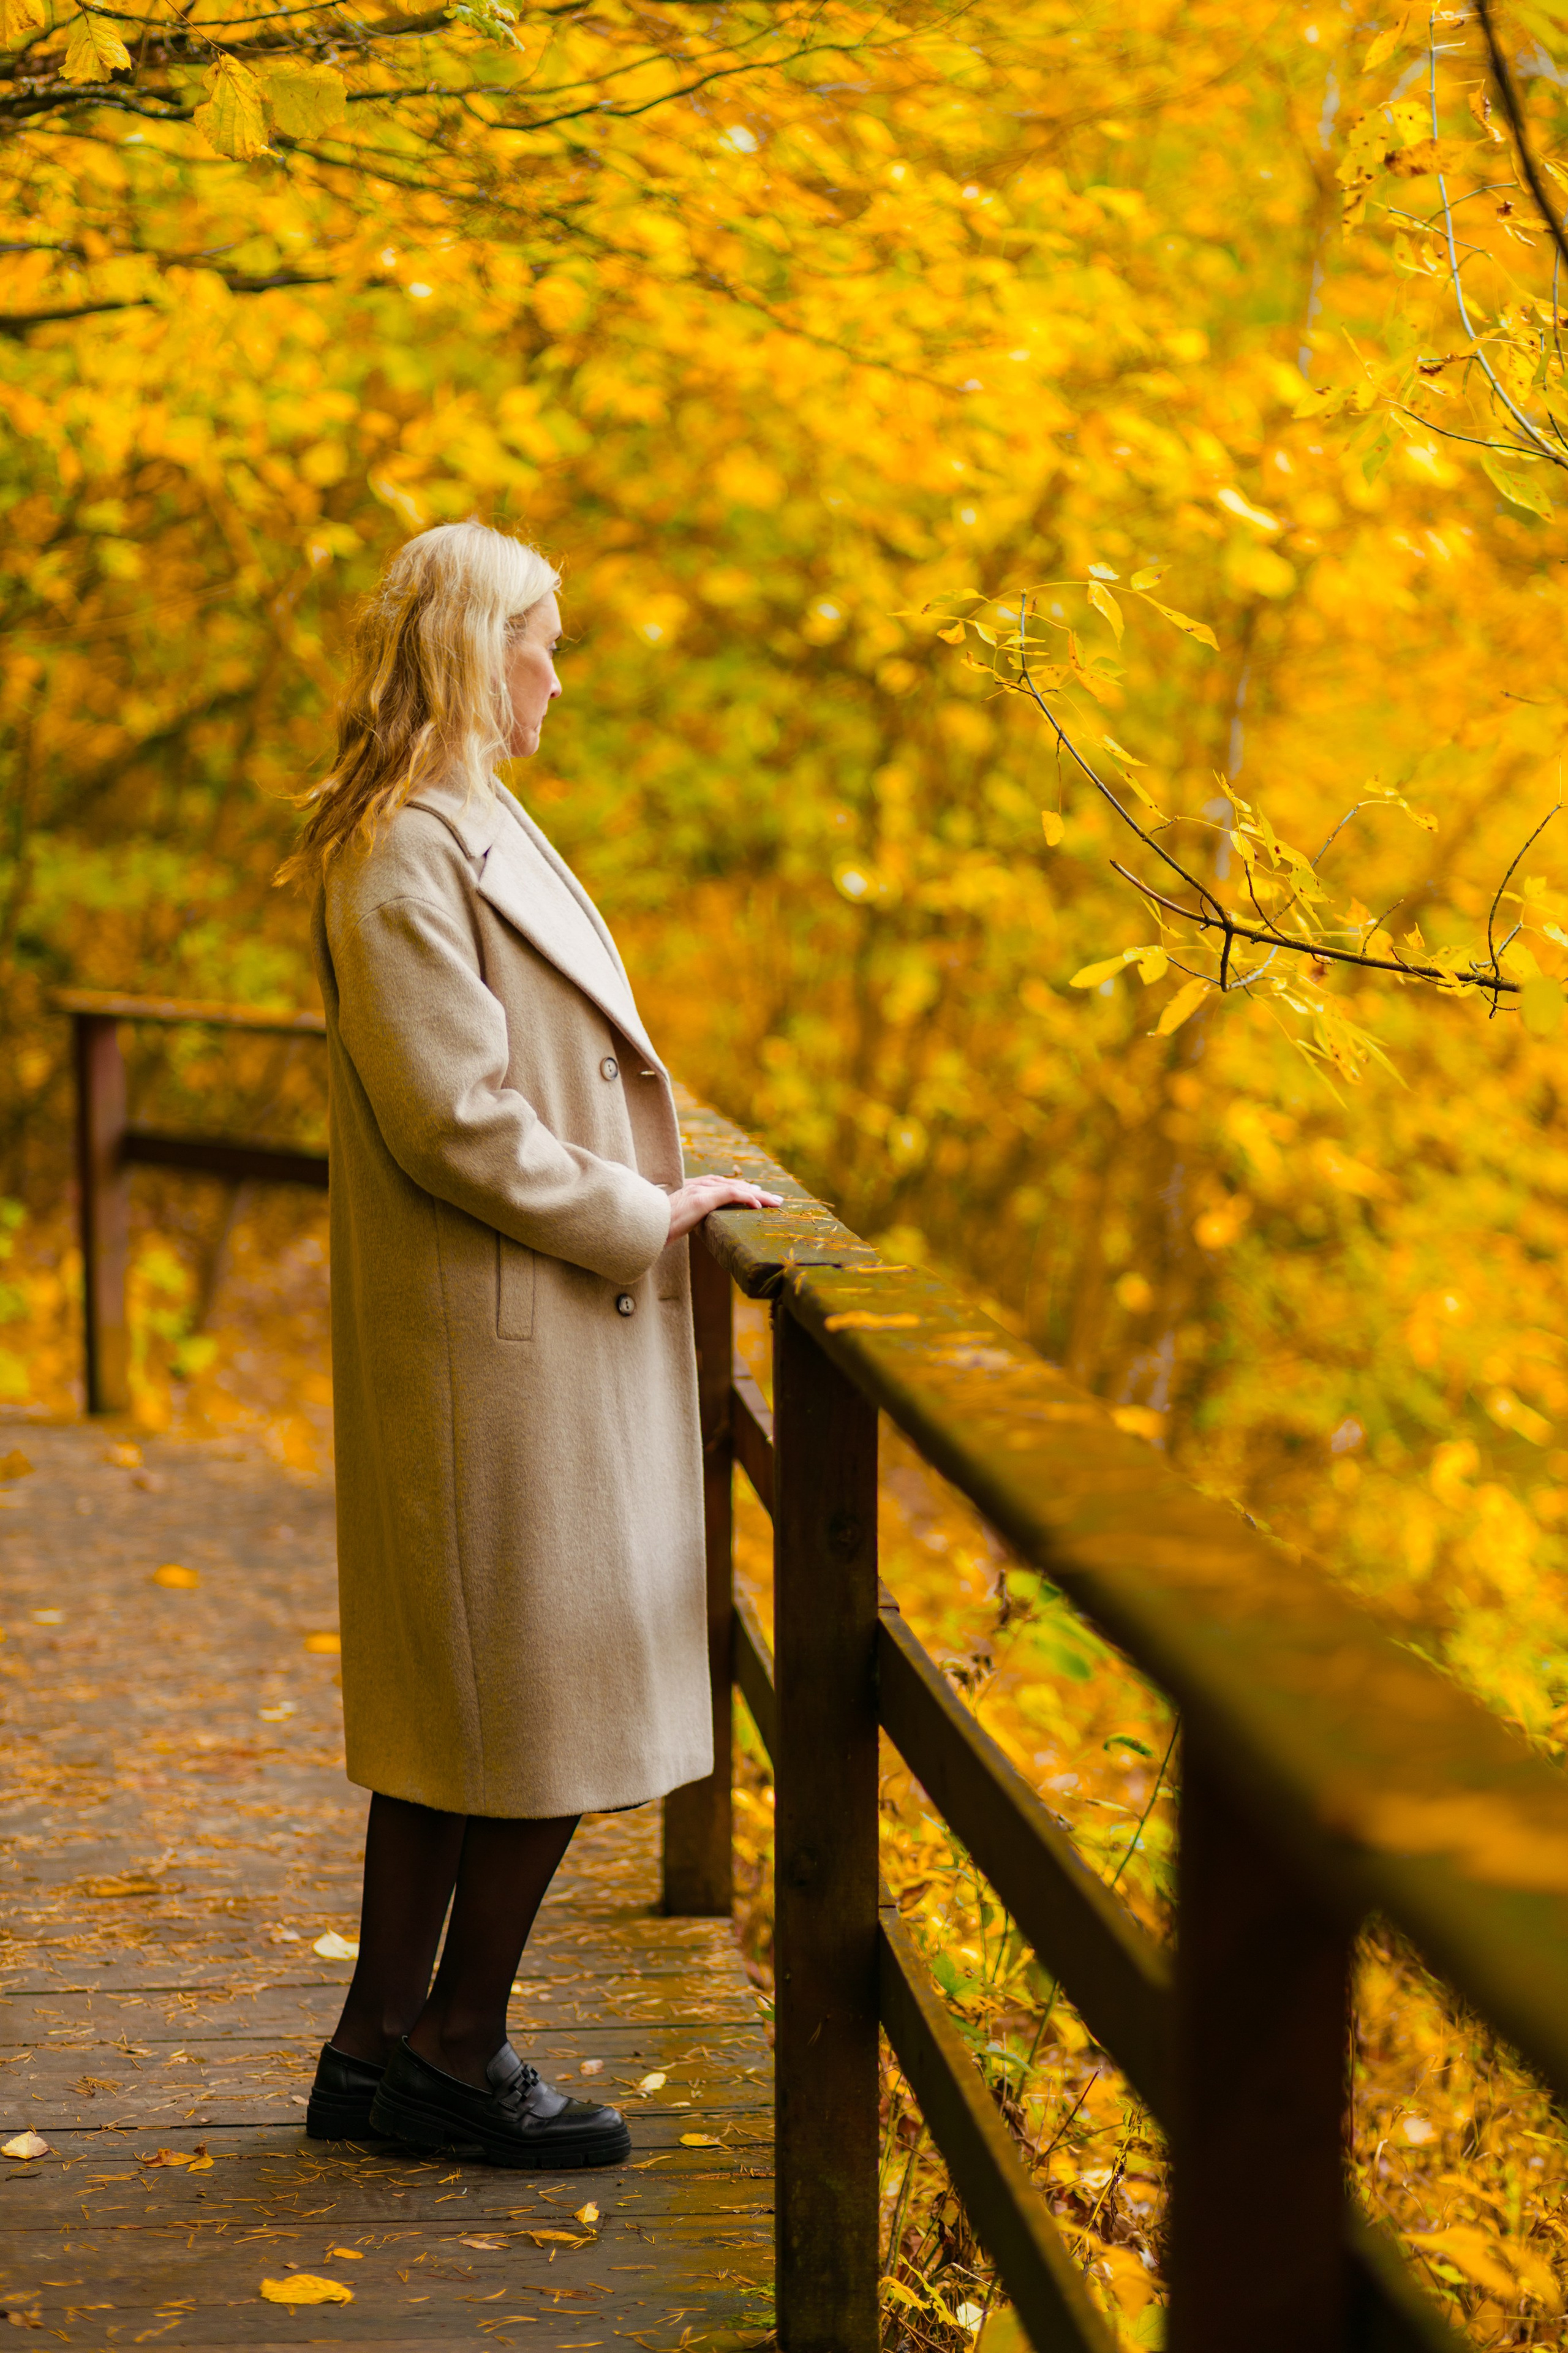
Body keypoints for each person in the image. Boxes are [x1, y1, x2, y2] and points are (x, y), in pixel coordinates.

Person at [280, 522, 779, 2167]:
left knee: (465, 1706)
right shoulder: (407, 849)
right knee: (539, 1697)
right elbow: (458, 1122)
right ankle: (457, 2038)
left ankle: (373, 2048)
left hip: (515, 1324)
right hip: (504, 1327)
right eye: (541, 643)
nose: (559, 674)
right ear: (470, 651)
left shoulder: (462, 825)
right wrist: (642, 1208)